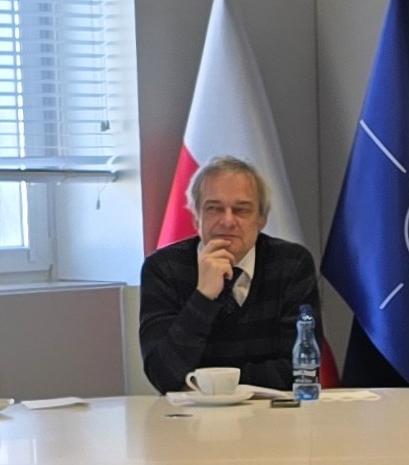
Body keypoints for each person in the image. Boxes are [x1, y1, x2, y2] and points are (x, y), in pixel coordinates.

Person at [137, 158, 322, 395]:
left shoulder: (292, 264)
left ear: (262, 219)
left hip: (271, 412)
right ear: (196, 217)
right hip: (192, 415)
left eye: (241, 210)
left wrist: (208, 383)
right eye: (214, 208)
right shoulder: (164, 268)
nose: (227, 221)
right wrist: (203, 297)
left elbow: (302, 370)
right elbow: (163, 375)